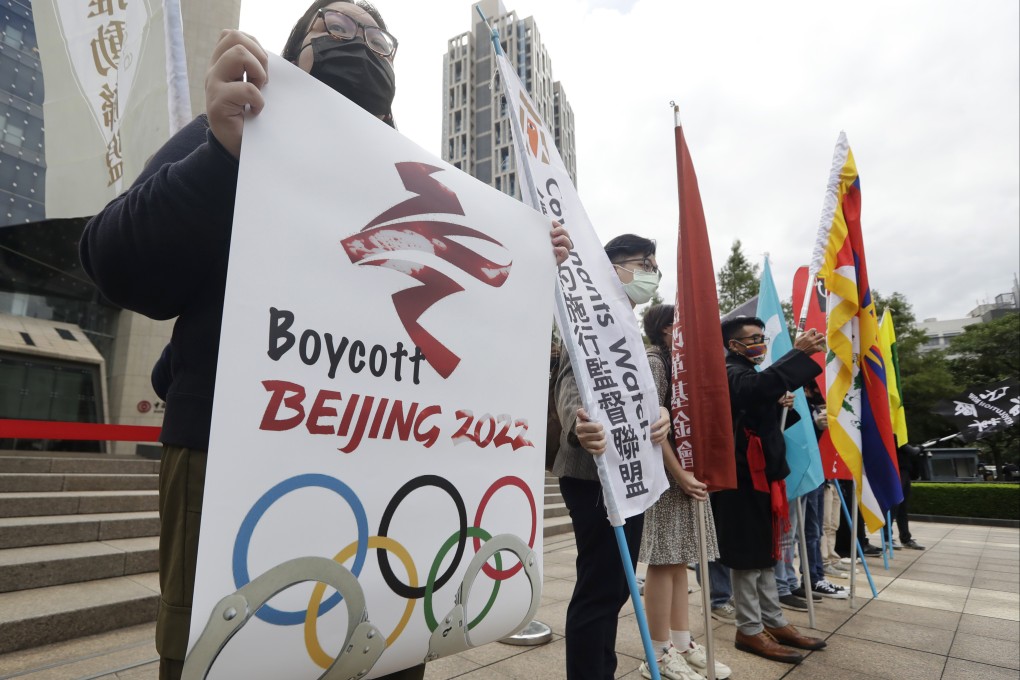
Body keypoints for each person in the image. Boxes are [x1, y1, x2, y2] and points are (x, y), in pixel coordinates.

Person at [79, 3, 572, 678]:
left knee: (388, 648)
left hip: (396, 469)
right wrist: (220, 156)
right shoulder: (236, 129)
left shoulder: (427, 188)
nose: (360, 40)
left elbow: (469, 342)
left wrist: (528, 266)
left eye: (377, 36)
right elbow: (117, 264)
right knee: (232, 655)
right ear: (294, 50)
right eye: (336, 27)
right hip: (235, 460)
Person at [552, 233, 672, 680]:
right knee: (600, 587)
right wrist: (578, 424)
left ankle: (602, 669)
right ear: (614, 267)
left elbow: (640, 395)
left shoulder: (628, 327)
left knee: (617, 585)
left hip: (630, 471)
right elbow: (569, 383)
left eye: (654, 267)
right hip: (593, 471)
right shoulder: (587, 318)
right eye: (644, 264)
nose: (651, 275)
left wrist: (660, 414)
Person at [710, 316, 828, 664]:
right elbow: (752, 390)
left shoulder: (751, 374)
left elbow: (760, 401)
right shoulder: (730, 371)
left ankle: (772, 621)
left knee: (765, 555)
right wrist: (796, 354)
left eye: (762, 336)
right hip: (742, 480)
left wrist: (781, 407)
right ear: (733, 345)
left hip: (763, 477)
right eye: (753, 338)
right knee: (748, 558)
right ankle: (748, 628)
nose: (760, 343)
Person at [636, 304, 732, 680]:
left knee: (678, 563)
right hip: (666, 480)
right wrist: (681, 475)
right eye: (680, 324)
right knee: (663, 563)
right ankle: (657, 652)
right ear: (663, 329)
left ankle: (680, 641)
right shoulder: (656, 362)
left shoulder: (679, 366)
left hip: (683, 479)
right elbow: (654, 429)